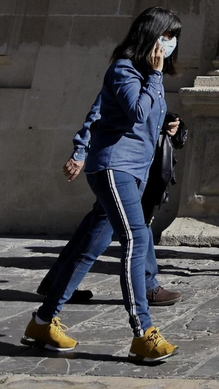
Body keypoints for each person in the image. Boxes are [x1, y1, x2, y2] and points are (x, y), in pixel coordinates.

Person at [21, 7, 181, 364]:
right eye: (167, 36)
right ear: (151, 35)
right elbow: (133, 112)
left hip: (133, 171)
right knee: (136, 241)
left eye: (175, 38)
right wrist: (155, 78)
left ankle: (43, 321)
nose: (171, 44)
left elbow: (144, 119)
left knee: (89, 247)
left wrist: (167, 124)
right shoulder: (125, 68)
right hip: (114, 168)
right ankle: (143, 333)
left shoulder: (145, 73)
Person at [34, 94, 183, 309]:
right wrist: (80, 151)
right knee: (130, 227)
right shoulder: (126, 69)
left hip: (135, 167)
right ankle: (146, 287)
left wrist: (166, 124)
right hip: (120, 168)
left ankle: (55, 283)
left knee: (101, 223)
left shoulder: (152, 77)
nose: (164, 58)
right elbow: (97, 115)